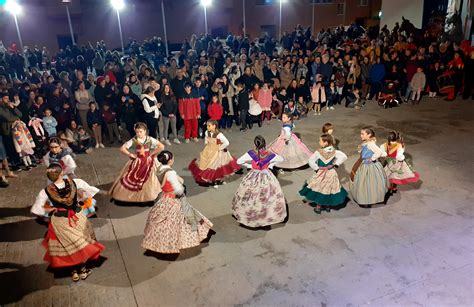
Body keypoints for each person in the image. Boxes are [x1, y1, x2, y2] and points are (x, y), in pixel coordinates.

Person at [38, 163, 105, 282]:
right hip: (77, 217)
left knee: (67, 247)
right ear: (62, 173)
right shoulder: (76, 182)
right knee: (81, 244)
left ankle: (74, 272)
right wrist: (80, 198)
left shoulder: (46, 191)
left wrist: (54, 207)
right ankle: (83, 269)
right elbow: (87, 195)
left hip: (60, 221)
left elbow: (41, 208)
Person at [142, 150, 213, 254]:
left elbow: (165, 181)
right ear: (170, 160)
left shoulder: (159, 169)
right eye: (173, 158)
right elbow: (178, 189)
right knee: (182, 218)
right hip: (173, 198)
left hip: (164, 197)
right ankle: (182, 239)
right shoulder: (170, 172)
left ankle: (158, 241)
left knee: (163, 221)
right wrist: (180, 184)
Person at [232, 135, 287, 228]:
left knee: (250, 196)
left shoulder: (251, 153)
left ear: (254, 144)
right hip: (266, 176)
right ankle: (265, 216)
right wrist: (271, 165)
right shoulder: (269, 154)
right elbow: (281, 159)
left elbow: (239, 162)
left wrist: (249, 166)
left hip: (253, 175)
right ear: (264, 144)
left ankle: (251, 216)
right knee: (267, 197)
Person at [109, 122, 164, 203]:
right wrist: (130, 154)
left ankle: (151, 194)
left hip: (148, 160)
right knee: (134, 177)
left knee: (150, 177)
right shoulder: (134, 140)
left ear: (145, 131)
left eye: (141, 132)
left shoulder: (150, 139)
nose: (139, 134)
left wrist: (152, 154)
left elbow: (161, 146)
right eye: (137, 132)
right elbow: (122, 148)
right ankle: (135, 194)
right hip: (138, 161)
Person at [299, 134, 348, 214]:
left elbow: (311, 161)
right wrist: (336, 164)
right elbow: (343, 156)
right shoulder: (334, 151)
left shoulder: (319, 152)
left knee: (320, 188)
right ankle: (328, 206)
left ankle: (318, 207)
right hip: (331, 172)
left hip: (321, 173)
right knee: (329, 188)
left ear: (325, 143)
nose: (319, 142)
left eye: (320, 141)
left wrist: (317, 168)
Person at [188, 120, 240, 188]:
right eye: (207, 125)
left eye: (209, 126)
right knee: (209, 165)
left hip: (217, 152)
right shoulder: (207, 132)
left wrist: (220, 148)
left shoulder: (219, 134)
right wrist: (206, 142)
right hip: (208, 150)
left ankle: (217, 180)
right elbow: (206, 138)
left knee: (216, 166)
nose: (207, 127)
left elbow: (226, 142)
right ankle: (213, 180)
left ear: (214, 126)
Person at [350, 127, 389, 207]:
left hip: (370, 166)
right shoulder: (366, 143)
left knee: (369, 182)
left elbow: (378, 151)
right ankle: (365, 198)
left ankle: (369, 199)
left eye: (362, 134)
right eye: (361, 133)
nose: (361, 135)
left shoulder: (370, 144)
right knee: (365, 183)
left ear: (369, 135)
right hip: (364, 165)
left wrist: (372, 158)